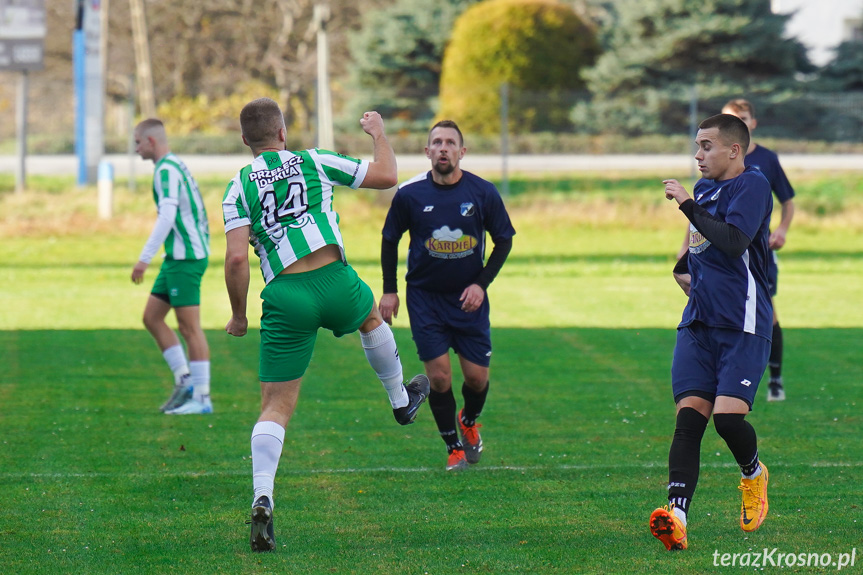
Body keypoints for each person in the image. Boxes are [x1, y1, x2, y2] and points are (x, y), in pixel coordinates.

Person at [222, 98, 429, 552]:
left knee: (275, 406)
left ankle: (263, 496)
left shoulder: (237, 187)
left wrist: (238, 315)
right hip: (334, 279)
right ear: (282, 132)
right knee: (372, 317)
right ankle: (400, 400)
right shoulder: (313, 159)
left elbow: (237, 257)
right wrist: (378, 133)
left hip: (285, 295)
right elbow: (387, 176)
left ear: (245, 141)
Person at [650, 114, 773, 551]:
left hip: (742, 320)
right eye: (696, 146)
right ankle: (676, 516)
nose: (698, 155)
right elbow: (698, 243)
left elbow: (734, 241)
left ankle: (753, 473)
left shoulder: (753, 185)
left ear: (734, 150)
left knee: (727, 418)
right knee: (689, 420)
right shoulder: (704, 190)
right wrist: (682, 269)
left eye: (706, 146)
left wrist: (686, 204)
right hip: (698, 320)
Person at [379, 120, 515, 472]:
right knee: (439, 378)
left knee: (476, 379)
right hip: (424, 299)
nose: (443, 148)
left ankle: (468, 420)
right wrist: (390, 291)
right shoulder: (410, 195)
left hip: (468, 301)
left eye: (450, 143)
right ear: (427, 152)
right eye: (436, 142)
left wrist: (480, 285)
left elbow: (504, 240)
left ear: (461, 152)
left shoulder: (482, 193)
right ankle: (453, 448)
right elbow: (390, 239)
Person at [131, 118, 212, 415]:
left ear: (151, 142)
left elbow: (167, 216)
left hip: (185, 258)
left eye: (137, 142)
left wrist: (144, 258)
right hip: (178, 257)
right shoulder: (174, 165)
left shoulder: (166, 170)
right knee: (152, 317)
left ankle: (202, 398)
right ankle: (185, 380)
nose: (136, 148)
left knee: (190, 328)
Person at [721, 98, 794, 402]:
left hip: (758, 253)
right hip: (723, 251)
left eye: (743, 118)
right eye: (730, 118)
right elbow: (701, 206)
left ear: (753, 123)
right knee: (721, 311)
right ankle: (724, 380)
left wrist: (781, 230)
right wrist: (687, 246)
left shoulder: (766, 159)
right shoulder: (716, 157)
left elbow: (788, 200)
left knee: (766, 312)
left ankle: (774, 379)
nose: (738, 122)